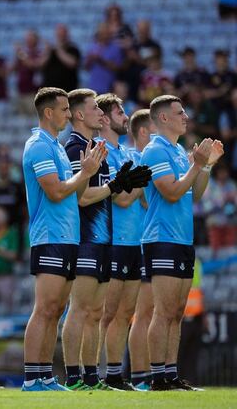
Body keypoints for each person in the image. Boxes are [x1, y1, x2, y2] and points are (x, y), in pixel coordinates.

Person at [21, 87, 107, 391]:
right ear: (49, 112)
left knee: (56, 310)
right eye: (63, 109)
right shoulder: (39, 146)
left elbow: (75, 193)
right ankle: (32, 377)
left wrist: (86, 175)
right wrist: (85, 173)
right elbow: (56, 191)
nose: (68, 114)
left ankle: (44, 375)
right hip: (50, 236)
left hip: (68, 236)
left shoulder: (55, 146)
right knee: (45, 308)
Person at [62, 89, 148, 390]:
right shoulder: (74, 148)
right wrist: (117, 186)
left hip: (103, 238)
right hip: (84, 237)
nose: (100, 113)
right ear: (80, 114)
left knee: (96, 313)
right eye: (94, 109)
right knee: (81, 308)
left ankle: (90, 376)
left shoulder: (93, 147)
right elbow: (82, 198)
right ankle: (73, 376)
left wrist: (118, 185)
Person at [142, 95, 222, 391]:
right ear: (163, 118)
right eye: (179, 112)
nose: (186, 116)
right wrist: (195, 165)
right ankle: (156, 376)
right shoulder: (154, 151)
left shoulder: (176, 151)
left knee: (177, 312)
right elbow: (172, 193)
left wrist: (206, 167)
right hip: (161, 238)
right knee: (163, 311)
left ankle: (170, 374)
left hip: (181, 239)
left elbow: (194, 194)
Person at [96, 94, 152, 391]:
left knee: (124, 314)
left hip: (135, 242)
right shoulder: (102, 152)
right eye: (119, 111)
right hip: (113, 242)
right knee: (105, 313)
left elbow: (143, 202)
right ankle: (94, 374)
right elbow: (119, 198)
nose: (125, 115)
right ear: (104, 118)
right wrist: (135, 187)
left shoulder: (133, 156)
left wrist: (134, 187)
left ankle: (116, 374)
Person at [125, 109, 157, 390]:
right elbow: (146, 201)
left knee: (151, 312)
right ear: (144, 132)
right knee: (144, 313)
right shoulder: (134, 160)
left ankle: (150, 374)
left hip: (147, 241)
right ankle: (140, 377)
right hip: (140, 242)